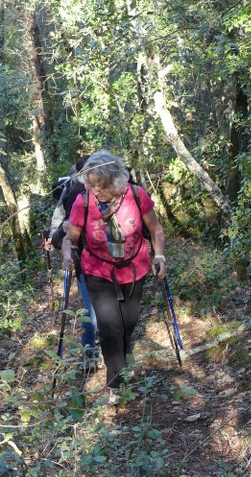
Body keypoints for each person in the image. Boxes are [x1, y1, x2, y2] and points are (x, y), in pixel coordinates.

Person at [61, 150, 167, 403]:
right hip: (98, 272)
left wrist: (159, 256)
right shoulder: (83, 202)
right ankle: (116, 385)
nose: (96, 190)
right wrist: (67, 253)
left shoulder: (137, 196)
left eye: (101, 185)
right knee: (110, 329)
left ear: (115, 181)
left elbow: (156, 230)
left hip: (135, 268)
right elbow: (70, 239)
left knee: (128, 325)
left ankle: (124, 357)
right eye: (91, 184)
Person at [42, 156, 98, 372]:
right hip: (85, 259)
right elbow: (61, 226)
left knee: (93, 309)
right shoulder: (74, 191)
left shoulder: (113, 190)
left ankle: (92, 353)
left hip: (96, 260)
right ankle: (89, 353)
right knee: (92, 309)